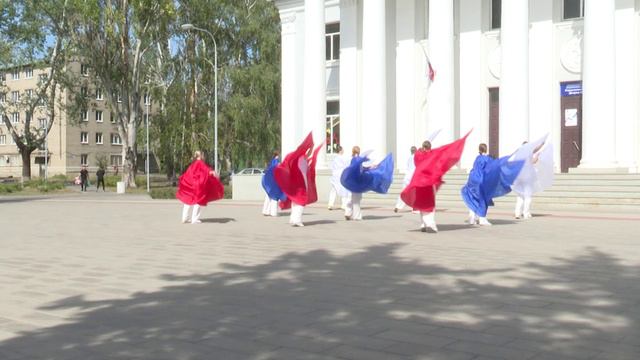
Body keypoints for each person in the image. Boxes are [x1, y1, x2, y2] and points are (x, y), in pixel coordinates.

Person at [401, 132, 470, 233]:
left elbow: (417, 159)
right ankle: (430, 224)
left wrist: (421, 150)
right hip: (428, 182)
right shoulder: (430, 155)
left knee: (421, 204)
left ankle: (423, 224)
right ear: (429, 147)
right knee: (429, 204)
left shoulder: (418, 155)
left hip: (418, 181)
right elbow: (439, 159)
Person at [461, 143, 525, 226]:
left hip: (472, 179)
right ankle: (482, 218)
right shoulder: (487, 159)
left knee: (473, 197)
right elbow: (493, 168)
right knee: (483, 199)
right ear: (486, 149)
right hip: (481, 180)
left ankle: (472, 218)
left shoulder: (477, 158)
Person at [274, 132, 323, 227]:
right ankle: (297, 220)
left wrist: (312, 147)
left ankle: (293, 219)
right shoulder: (296, 158)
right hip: (299, 183)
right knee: (301, 201)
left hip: (301, 182)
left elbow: (308, 155)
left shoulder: (302, 157)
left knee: (296, 201)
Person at [341, 147, 394, 221]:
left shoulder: (353, 159)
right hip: (357, 181)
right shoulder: (356, 159)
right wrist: (367, 165)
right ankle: (356, 216)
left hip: (353, 180)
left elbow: (359, 168)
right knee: (356, 199)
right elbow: (358, 169)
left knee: (353, 198)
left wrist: (370, 167)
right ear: (358, 151)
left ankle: (348, 213)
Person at [510, 135, 554, 219]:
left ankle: (517, 213)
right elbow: (533, 159)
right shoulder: (528, 153)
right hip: (527, 177)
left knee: (520, 196)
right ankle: (526, 213)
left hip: (518, 178)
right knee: (527, 196)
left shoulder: (518, 153)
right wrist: (542, 144)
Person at [176, 151, 224, 224]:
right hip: (197, 186)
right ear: (201, 156)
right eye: (203, 155)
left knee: (187, 201)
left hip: (189, 185)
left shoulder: (193, 164)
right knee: (198, 201)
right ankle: (194, 219)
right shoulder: (200, 163)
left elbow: (189, 174)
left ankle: (184, 218)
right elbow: (205, 172)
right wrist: (212, 173)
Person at [261, 151, 287, 217]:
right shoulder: (276, 161)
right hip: (274, 181)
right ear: (278, 155)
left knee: (268, 196)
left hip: (268, 181)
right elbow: (278, 170)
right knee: (275, 196)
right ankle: (273, 212)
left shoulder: (271, 161)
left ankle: (266, 211)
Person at [394, 146, 417, 213]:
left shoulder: (409, 158)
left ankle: (398, 206)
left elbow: (408, 167)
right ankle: (415, 208)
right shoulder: (417, 157)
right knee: (415, 192)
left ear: (411, 151)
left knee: (404, 192)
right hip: (413, 177)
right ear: (416, 151)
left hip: (407, 177)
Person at [328, 146, 350, 211]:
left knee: (333, 190)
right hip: (341, 175)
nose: (343, 151)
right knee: (344, 190)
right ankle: (344, 205)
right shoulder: (343, 158)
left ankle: (330, 204)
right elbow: (347, 165)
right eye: (343, 150)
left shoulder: (334, 158)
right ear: (340, 151)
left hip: (335, 176)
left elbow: (331, 167)